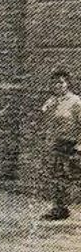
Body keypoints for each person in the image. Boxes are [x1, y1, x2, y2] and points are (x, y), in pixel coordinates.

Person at [40, 68, 81, 221]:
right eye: (54, 83)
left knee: (76, 176)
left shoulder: (75, 102)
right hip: (58, 143)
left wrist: (79, 146)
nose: (57, 86)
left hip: (73, 144)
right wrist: (49, 107)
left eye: (61, 82)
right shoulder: (52, 101)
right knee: (57, 177)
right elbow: (46, 121)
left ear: (67, 84)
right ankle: (60, 209)